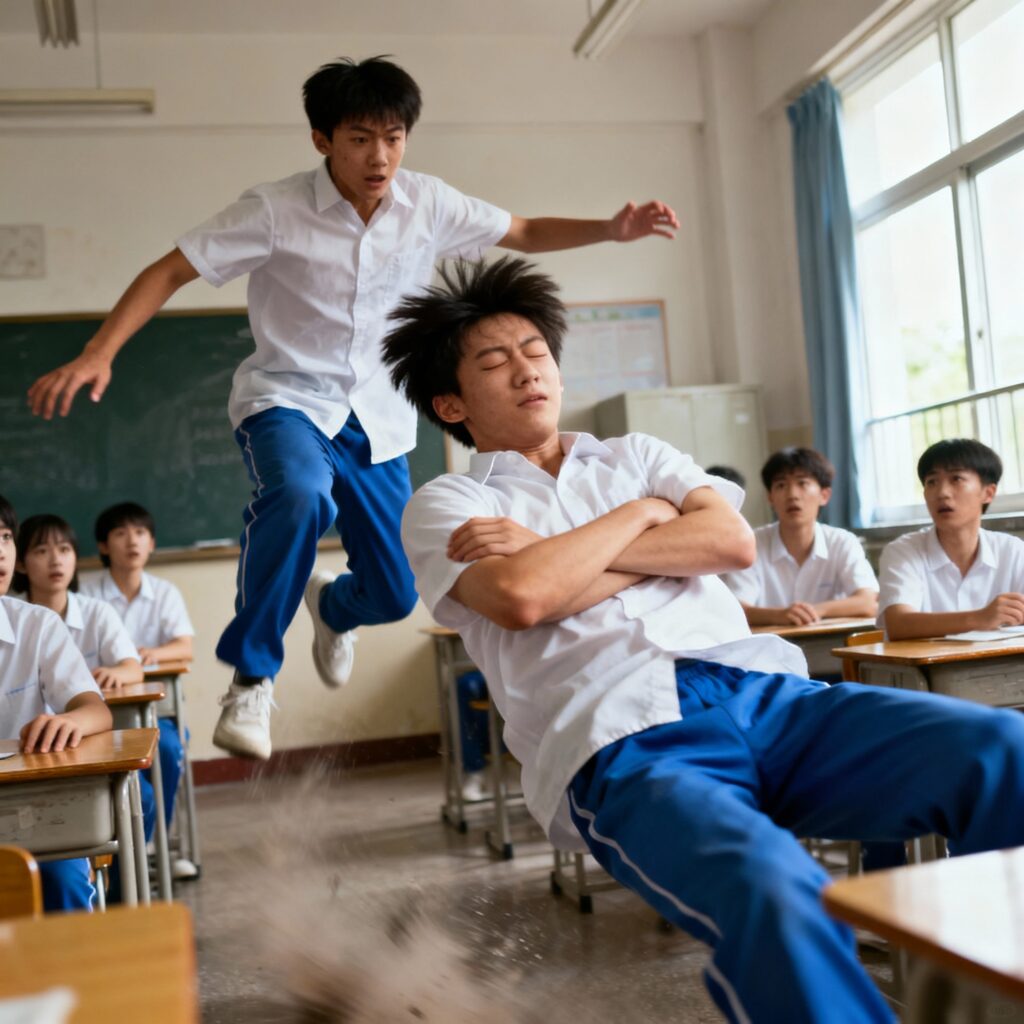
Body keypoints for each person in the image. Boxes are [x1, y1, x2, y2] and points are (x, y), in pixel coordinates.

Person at [385, 257, 1024, 1023]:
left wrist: (557, 551)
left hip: (772, 698)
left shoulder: (637, 454)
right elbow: (524, 597)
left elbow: (729, 544)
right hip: (625, 740)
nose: (528, 372)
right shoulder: (447, 501)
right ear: (451, 401)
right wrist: (646, 518)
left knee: (1003, 749)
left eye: (536, 352)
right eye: (495, 362)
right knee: (777, 891)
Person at [26, 55, 679, 762]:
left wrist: (612, 230)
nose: (380, 156)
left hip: (381, 418)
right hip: (287, 399)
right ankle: (253, 675)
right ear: (322, 139)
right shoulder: (273, 210)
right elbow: (171, 268)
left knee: (398, 593)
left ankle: (332, 607)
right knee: (301, 495)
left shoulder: (428, 203)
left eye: (394, 137)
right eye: (361, 138)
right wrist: (99, 351)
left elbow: (520, 230)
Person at [0, 494, 113, 912]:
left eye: (6, 537)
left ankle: (73, 977)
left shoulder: (35, 624)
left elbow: (95, 709)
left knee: (61, 877)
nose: (0, 551)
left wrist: (72, 723)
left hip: (32, 806)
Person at [80, 501, 192, 878]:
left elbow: (185, 647)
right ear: (103, 546)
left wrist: (145, 656)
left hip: (155, 713)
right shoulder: (87, 594)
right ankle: (120, 853)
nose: (132, 541)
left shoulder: (164, 592)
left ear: (152, 543)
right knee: (129, 777)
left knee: (170, 748)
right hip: (103, 713)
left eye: (140, 533)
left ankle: (149, 845)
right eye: (121, 533)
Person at [878, 438, 1024, 641]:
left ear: (988, 493)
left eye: (956, 479)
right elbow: (898, 623)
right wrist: (979, 618)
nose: (942, 493)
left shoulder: (1013, 550)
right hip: (923, 671)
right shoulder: (903, 551)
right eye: (932, 482)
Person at [723, 447, 878, 630]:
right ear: (770, 498)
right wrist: (779, 615)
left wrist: (814, 611)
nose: (792, 495)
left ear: (824, 495)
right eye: (781, 485)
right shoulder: (751, 543)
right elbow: (735, 609)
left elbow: (869, 602)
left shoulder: (842, 542)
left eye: (802, 483)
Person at [13, 514, 143, 691]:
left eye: (64, 550)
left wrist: (116, 673)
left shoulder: (97, 612)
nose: (56, 561)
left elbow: (133, 669)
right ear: (20, 564)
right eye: (42, 551)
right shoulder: (10, 617)